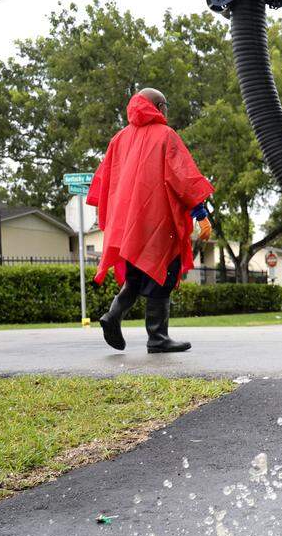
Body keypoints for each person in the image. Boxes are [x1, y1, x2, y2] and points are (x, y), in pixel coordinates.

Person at [87, 88, 214, 353]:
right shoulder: (166, 136)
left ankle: (112, 315)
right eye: (165, 105)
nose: (167, 111)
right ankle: (158, 337)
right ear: (158, 106)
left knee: (134, 279)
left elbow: (104, 183)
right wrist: (201, 215)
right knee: (162, 276)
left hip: (128, 228)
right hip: (158, 224)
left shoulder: (119, 139)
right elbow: (184, 179)